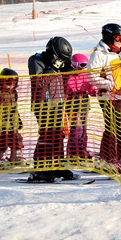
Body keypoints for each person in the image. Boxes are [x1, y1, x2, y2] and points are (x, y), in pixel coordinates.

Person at [28, 36, 75, 181]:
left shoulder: (56, 65)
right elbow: (39, 80)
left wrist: (67, 70)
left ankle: (57, 165)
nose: (59, 62)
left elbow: (63, 82)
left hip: (57, 103)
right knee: (47, 134)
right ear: (51, 53)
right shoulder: (36, 60)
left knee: (58, 135)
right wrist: (52, 68)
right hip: (42, 104)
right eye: (58, 59)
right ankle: (41, 168)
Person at [88, 23, 121, 167]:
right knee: (112, 126)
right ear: (109, 37)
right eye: (118, 37)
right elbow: (91, 77)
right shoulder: (99, 54)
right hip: (107, 96)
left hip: (120, 95)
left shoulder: (116, 52)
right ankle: (107, 159)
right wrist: (109, 85)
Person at [0, 68, 23, 163]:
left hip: (12, 124)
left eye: (13, 83)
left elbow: (15, 109)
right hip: (0, 124)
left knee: (17, 140)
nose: (10, 86)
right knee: (0, 143)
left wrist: (18, 121)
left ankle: (15, 157)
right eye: (8, 83)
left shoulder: (14, 93)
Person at [65, 53, 96, 158]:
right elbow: (65, 90)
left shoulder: (86, 75)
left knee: (83, 128)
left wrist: (96, 91)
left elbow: (91, 89)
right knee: (77, 128)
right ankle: (73, 152)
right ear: (75, 65)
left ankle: (82, 150)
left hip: (84, 104)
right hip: (73, 104)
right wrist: (70, 93)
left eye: (85, 65)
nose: (84, 68)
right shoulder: (68, 76)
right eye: (82, 65)